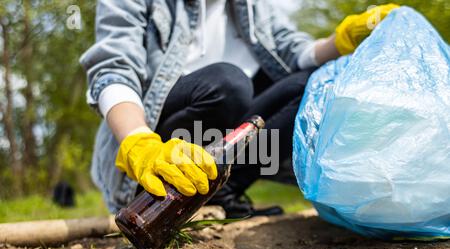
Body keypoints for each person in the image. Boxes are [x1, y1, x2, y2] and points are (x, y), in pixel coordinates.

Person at [80, 1, 398, 218]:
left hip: (223, 132)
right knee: (229, 83)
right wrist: (138, 141)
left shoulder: (250, 5)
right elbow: (113, 69)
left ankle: (221, 192)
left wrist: (341, 39)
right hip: (154, 141)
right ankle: (162, 196)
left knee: (310, 86)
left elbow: (294, 52)